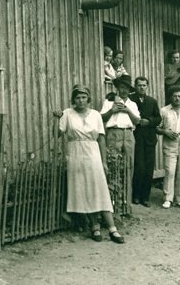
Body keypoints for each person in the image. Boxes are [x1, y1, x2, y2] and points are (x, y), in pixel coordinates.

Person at [57, 85, 124, 244]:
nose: (81, 100)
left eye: (83, 97)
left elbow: (101, 139)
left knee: (99, 190)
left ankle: (112, 229)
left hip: (92, 152)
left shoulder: (95, 115)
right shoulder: (67, 113)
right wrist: (57, 118)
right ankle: (94, 226)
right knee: (84, 191)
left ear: (88, 99)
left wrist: (104, 162)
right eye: (78, 98)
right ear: (74, 100)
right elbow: (58, 134)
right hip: (75, 154)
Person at [101, 75, 140, 210]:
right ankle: (112, 203)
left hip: (128, 134)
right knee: (113, 166)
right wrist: (113, 110)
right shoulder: (109, 101)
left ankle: (125, 203)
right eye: (122, 87)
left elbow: (137, 121)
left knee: (128, 166)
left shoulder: (132, 104)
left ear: (130, 90)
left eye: (127, 88)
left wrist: (127, 111)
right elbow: (101, 118)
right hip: (113, 133)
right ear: (117, 88)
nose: (124, 91)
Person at [157, 86, 180, 208]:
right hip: (169, 142)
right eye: (174, 96)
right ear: (171, 97)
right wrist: (165, 132)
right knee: (170, 170)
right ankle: (168, 198)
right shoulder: (164, 111)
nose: (177, 98)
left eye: (179, 96)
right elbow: (157, 127)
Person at [129, 76, 162, 207]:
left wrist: (149, 121)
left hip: (149, 138)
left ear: (147, 86)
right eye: (139, 85)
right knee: (139, 167)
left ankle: (145, 197)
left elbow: (158, 118)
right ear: (135, 86)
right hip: (136, 137)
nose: (142, 87)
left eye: (144, 85)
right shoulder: (131, 100)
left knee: (148, 169)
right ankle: (136, 195)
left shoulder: (152, 101)